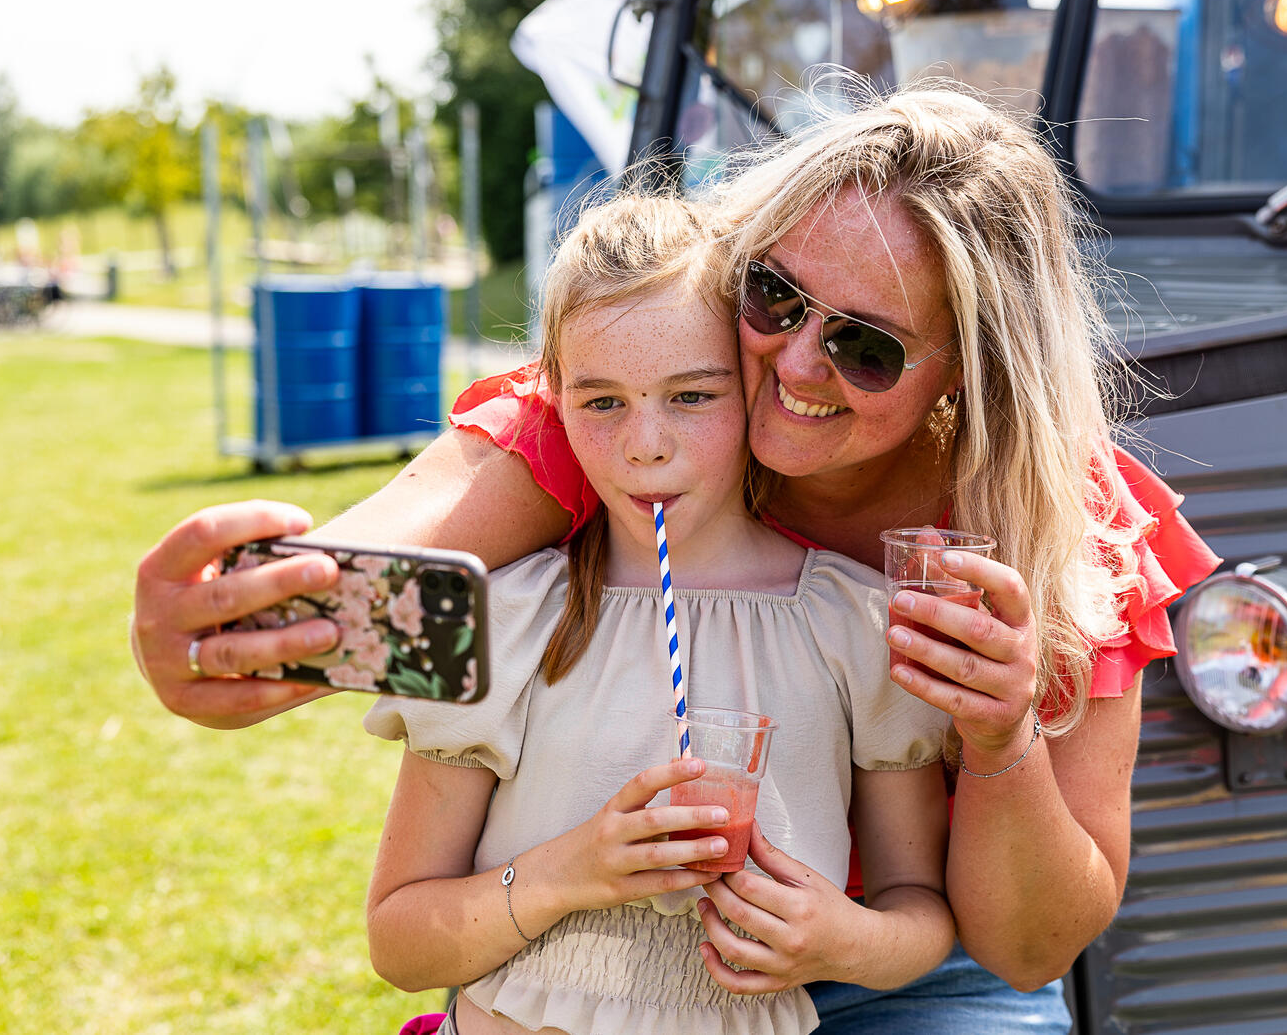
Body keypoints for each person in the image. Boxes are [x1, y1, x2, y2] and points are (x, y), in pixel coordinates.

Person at [130, 81, 1219, 1031]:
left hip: (913, 967)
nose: (790, 361)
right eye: (774, 295)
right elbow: (347, 578)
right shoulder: (633, 421)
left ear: (962, 374)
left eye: (864, 345)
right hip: (610, 961)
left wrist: (999, 733)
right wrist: (228, 617)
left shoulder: (1052, 530)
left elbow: (1030, 948)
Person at [363, 194, 952, 1034]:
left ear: (755, 384)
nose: (645, 444)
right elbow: (399, 945)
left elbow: (920, 915)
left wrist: (846, 941)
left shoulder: (852, 625)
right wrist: (573, 870)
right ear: (555, 399)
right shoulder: (500, 622)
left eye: (691, 397)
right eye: (602, 402)